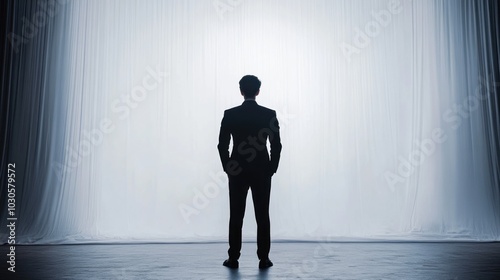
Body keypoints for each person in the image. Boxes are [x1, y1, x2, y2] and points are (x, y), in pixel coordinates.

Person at [217, 75, 282, 269]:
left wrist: (228, 166)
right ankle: (264, 258)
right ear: (258, 91)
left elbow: (222, 145)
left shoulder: (230, 114)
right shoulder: (269, 114)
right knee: (262, 215)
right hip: (262, 170)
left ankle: (233, 258)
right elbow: (276, 145)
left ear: (241, 90)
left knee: (236, 215)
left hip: (237, 171)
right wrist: (272, 168)